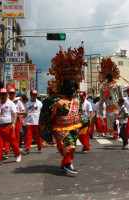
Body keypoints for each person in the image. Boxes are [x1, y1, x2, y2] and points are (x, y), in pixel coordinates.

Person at [39, 43, 88, 174]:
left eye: (74, 85)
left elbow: (80, 114)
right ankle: (67, 164)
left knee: (72, 148)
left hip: (74, 127)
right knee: (69, 145)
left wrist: (84, 120)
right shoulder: (53, 101)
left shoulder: (76, 101)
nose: (72, 88)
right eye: (70, 85)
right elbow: (44, 117)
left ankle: (65, 164)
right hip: (60, 128)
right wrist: (47, 131)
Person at [0, 88, 21, 166]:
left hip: (8, 126)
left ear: (7, 95)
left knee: (13, 142)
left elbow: (15, 114)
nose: (3, 96)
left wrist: (14, 123)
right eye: (1, 95)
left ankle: (18, 154)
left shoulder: (11, 103)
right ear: (0, 96)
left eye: (4, 94)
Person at [99, 57, 123, 139]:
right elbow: (101, 99)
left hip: (116, 106)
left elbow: (121, 97)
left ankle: (116, 134)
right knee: (110, 122)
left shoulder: (118, 85)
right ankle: (114, 133)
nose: (108, 76)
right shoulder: (103, 87)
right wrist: (100, 109)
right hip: (108, 108)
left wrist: (122, 107)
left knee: (116, 122)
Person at [23, 89, 43, 155]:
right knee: (29, 136)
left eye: (35, 95)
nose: (34, 96)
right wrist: (24, 120)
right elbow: (25, 113)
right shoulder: (27, 104)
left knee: (38, 136)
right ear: (31, 95)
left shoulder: (39, 103)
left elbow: (42, 112)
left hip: (37, 122)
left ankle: (39, 148)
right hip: (29, 122)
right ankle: (27, 149)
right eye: (33, 95)